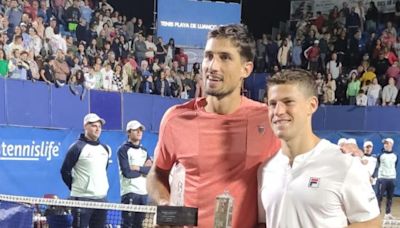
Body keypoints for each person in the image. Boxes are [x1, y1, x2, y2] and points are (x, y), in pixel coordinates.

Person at [146, 24, 281, 228]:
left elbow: (306, 158)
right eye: (209, 56)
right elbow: (157, 173)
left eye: (225, 57)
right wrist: (166, 206)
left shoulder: (268, 120)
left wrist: (344, 149)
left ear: (246, 69)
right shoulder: (176, 119)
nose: (213, 66)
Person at [258, 69, 380, 227]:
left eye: (288, 102)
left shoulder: (344, 164)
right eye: (272, 104)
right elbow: (264, 222)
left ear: (312, 105)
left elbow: (371, 223)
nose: (278, 111)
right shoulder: (265, 170)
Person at [60, 113, 110, 228]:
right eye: (94, 126)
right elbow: (65, 171)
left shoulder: (105, 149)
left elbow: (103, 169)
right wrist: (77, 187)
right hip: (81, 200)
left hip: (101, 199)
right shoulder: (76, 147)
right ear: (85, 126)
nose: (97, 129)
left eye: (99, 126)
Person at [117, 120, 152, 228]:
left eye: (140, 129)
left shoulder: (144, 151)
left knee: (140, 225)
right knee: (128, 225)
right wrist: (143, 171)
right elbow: (127, 173)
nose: (139, 132)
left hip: (143, 193)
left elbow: (150, 171)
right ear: (128, 132)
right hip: (129, 193)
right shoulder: (123, 150)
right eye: (135, 130)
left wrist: (137, 167)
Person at [374, 138, 397, 219]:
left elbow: (395, 166)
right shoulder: (380, 156)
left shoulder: (395, 155)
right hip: (382, 179)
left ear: (392, 144)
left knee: (390, 197)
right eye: (385, 143)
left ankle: (388, 213)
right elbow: (377, 166)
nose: (386, 145)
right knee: (379, 196)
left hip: (392, 179)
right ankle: (377, 212)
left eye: (387, 143)